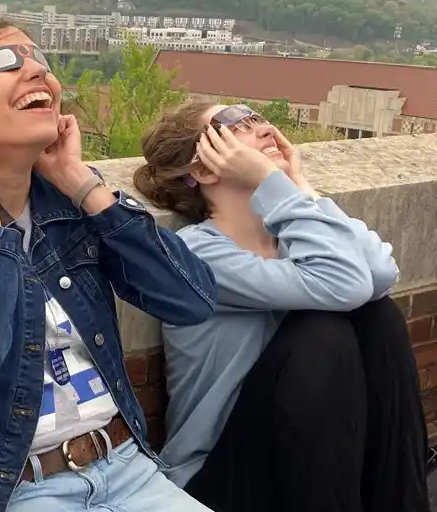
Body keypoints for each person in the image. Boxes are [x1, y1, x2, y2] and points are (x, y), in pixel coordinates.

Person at [0, 17, 219, 512]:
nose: (37, 71)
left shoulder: (68, 199)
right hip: (8, 489)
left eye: (41, 60)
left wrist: (82, 181)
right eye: (6, 60)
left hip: (126, 467)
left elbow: (192, 299)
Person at [133, 101, 428, 512]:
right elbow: (346, 282)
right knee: (321, 334)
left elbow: (379, 275)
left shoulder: (293, 239)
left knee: (379, 317)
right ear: (202, 169)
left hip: (301, 465)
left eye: (258, 116)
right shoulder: (198, 255)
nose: (262, 126)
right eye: (236, 122)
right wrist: (274, 183)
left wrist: (300, 186)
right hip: (218, 476)